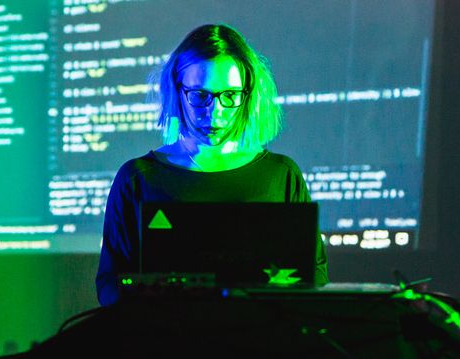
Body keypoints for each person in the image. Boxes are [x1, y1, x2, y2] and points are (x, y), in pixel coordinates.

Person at [96, 23, 328, 304]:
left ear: (248, 95)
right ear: (177, 92)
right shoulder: (137, 178)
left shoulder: (281, 175)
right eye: (200, 96)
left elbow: (314, 276)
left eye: (229, 95)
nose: (214, 112)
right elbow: (110, 285)